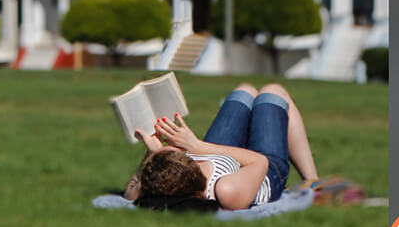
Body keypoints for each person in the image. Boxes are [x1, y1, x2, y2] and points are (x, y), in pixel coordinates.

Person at [123, 83, 318, 212]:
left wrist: (152, 152)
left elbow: (130, 192)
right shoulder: (226, 190)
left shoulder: (167, 181)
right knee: (273, 93)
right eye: (173, 150)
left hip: (215, 156)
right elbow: (259, 161)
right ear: (188, 162)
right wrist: (197, 145)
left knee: (245, 91)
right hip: (262, 171)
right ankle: (312, 179)